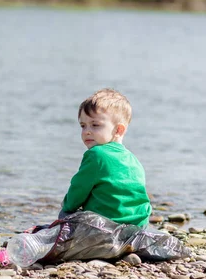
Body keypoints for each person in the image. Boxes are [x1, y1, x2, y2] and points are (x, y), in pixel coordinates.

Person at [59, 88, 152, 227]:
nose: (87, 131)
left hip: (105, 227)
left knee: (65, 214)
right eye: (83, 126)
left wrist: (66, 206)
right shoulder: (133, 159)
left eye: (95, 125)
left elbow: (78, 190)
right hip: (137, 226)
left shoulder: (96, 154)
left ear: (118, 130)